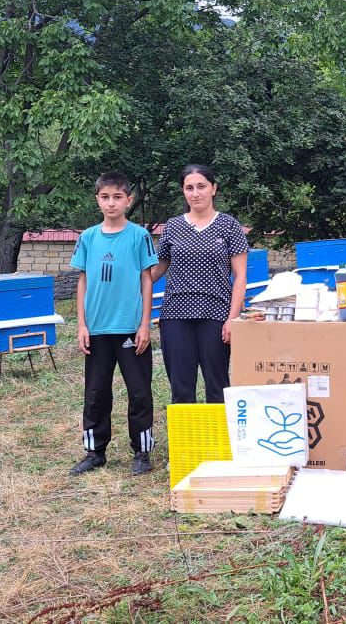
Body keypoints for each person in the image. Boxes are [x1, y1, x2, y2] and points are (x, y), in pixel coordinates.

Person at [68, 172, 159, 476]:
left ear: (128, 200)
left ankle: (142, 452)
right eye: (105, 197)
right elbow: (82, 280)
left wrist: (145, 323)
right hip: (96, 330)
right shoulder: (88, 237)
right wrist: (82, 325)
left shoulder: (138, 236)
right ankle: (95, 452)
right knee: (95, 394)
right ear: (98, 200)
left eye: (117, 197)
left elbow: (147, 280)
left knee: (139, 392)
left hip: (130, 329)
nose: (111, 203)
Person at [153, 164, 249, 403]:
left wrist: (232, 319)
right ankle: (187, 440)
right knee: (181, 386)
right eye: (189, 188)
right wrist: (126, 280)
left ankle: (217, 440)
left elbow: (240, 277)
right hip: (175, 314)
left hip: (216, 315)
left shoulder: (229, 225)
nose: (195, 193)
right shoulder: (173, 227)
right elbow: (157, 270)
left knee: (217, 385)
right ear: (183, 192)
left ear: (213, 188)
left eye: (201, 186)